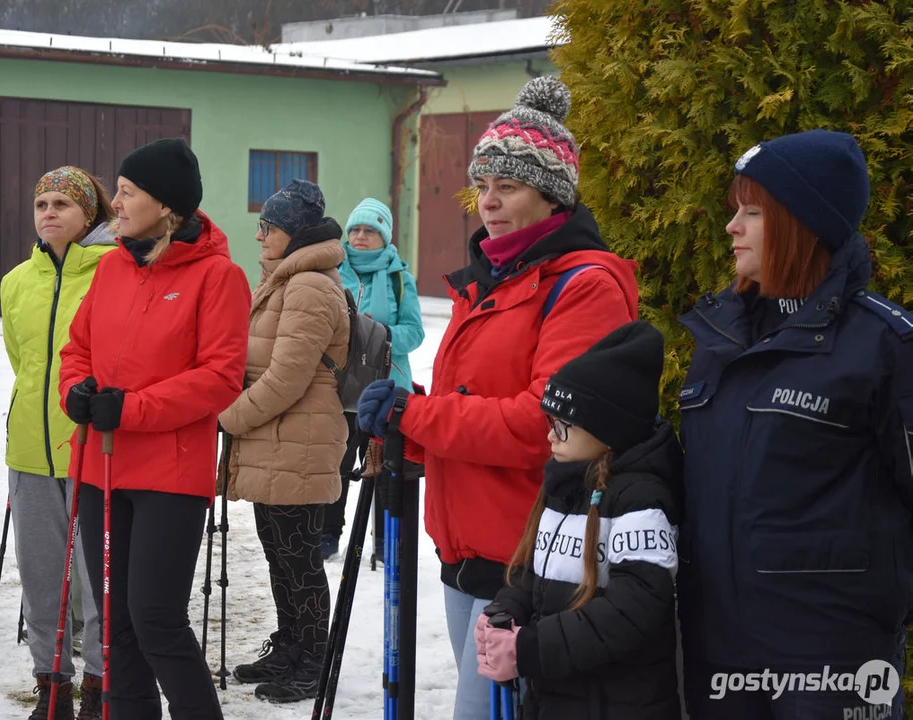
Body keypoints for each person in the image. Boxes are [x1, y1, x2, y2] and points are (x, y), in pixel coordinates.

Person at [356, 76, 640, 720]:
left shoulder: (583, 286)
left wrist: (419, 415)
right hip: (466, 548)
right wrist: (407, 420)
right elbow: (474, 398)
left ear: (552, 195)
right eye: (483, 186)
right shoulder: (488, 279)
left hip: (529, 554)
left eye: (507, 187)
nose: (487, 202)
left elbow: (545, 423)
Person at [677, 130, 910, 719]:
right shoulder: (719, 340)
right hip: (719, 656)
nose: (732, 227)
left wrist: (877, 611)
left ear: (800, 226)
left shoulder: (883, 345)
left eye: (752, 213)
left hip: (832, 661)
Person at [59, 138, 250, 720]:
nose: (114, 201)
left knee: (156, 618)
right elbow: (77, 347)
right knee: (114, 624)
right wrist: (77, 390)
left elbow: (220, 378)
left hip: (168, 473)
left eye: (127, 192)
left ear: (166, 206)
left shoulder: (218, 277)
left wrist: (133, 408)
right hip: (100, 467)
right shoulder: (113, 266)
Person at [475, 321, 682, 719]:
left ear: (608, 428)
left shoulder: (641, 498)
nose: (551, 436)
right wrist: (507, 610)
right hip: (555, 699)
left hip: (616, 705)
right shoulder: (565, 486)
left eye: (563, 425)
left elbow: (634, 607)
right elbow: (536, 576)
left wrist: (531, 648)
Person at [218, 179, 350, 703]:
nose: (258, 236)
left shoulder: (310, 286)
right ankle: (292, 645)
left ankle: (314, 659)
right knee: (280, 556)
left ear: (292, 233)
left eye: (267, 227)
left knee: (299, 560)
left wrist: (229, 418)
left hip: (299, 445)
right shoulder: (285, 281)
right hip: (277, 444)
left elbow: (287, 379)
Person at [2, 166, 116, 720]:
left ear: (88, 213)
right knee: (41, 575)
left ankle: (98, 684)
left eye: (61, 204)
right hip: (29, 447)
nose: (48, 213)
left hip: (93, 447)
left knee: (96, 578)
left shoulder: (114, 271)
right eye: (41, 202)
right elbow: (21, 363)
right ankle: (51, 687)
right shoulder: (16, 280)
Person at [321, 197, 424, 561]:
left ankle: (385, 542)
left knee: (383, 466)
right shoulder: (331, 271)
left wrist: (377, 334)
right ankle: (328, 534)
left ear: (385, 236)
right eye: (355, 229)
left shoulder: (399, 279)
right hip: (341, 386)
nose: (360, 236)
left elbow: (414, 333)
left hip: (386, 388)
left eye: (370, 230)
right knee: (337, 462)